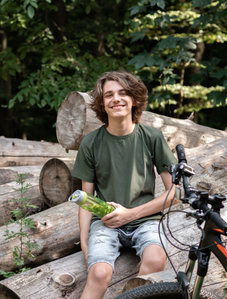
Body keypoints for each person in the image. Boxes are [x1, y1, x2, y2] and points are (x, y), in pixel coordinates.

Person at [72, 70, 178, 299]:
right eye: (109, 95)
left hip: (147, 219)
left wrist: (130, 215)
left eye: (123, 93)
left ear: (134, 99)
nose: (116, 99)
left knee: (155, 259)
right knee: (99, 273)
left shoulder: (152, 137)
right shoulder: (90, 143)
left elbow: (174, 193)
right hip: (106, 221)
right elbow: (86, 199)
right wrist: (84, 242)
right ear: (102, 103)